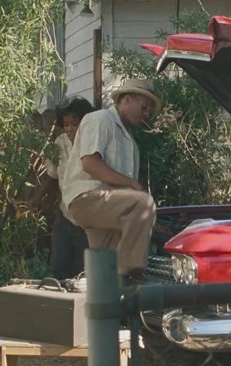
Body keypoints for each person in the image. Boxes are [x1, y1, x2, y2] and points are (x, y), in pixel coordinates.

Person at [60, 79, 159, 284]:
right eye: (144, 107)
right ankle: (131, 276)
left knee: (104, 266)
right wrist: (132, 185)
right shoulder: (100, 118)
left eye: (149, 110)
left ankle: (107, 299)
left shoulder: (131, 144)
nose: (146, 114)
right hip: (86, 197)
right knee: (142, 203)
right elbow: (90, 164)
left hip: (109, 206)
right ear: (127, 99)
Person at [27, 97, 96, 279]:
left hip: (88, 219)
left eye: (74, 124)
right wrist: (35, 200)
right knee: (58, 267)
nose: (70, 129)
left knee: (82, 271)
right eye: (66, 124)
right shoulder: (60, 143)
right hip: (65, 214)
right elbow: (52, 175)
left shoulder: (93, 143)